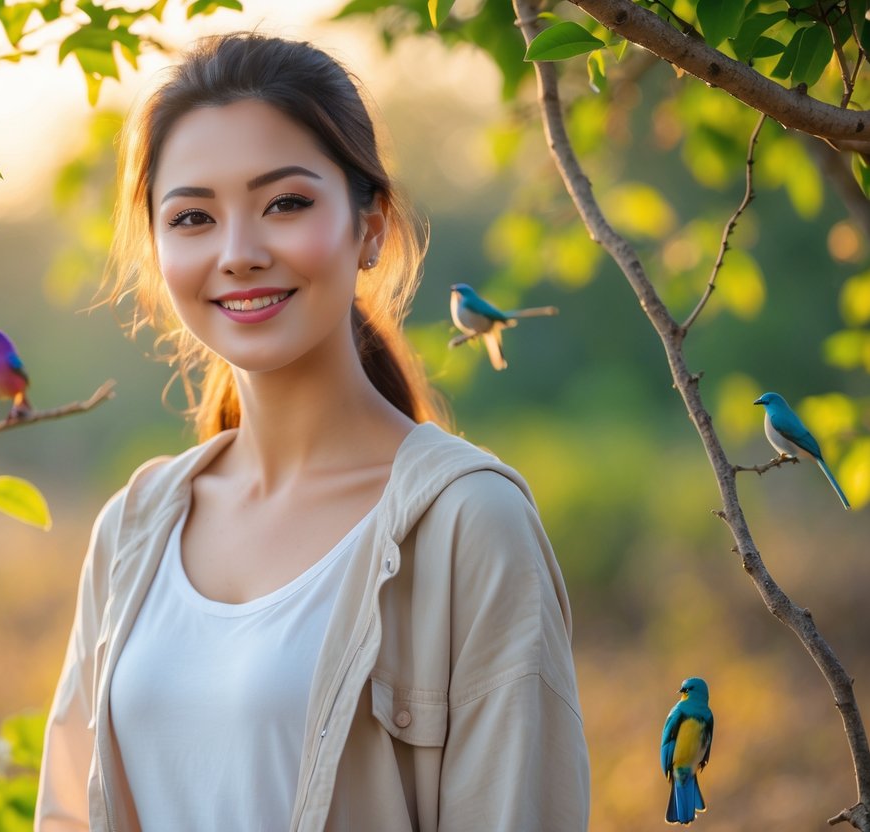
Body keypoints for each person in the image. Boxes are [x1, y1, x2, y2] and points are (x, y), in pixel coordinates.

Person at [35, 32, 589, 832]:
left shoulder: (470, 523)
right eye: (192, 217)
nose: (238, 253)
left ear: (370, 228)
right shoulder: (133, 524)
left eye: (285, 204)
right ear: (156, 249)